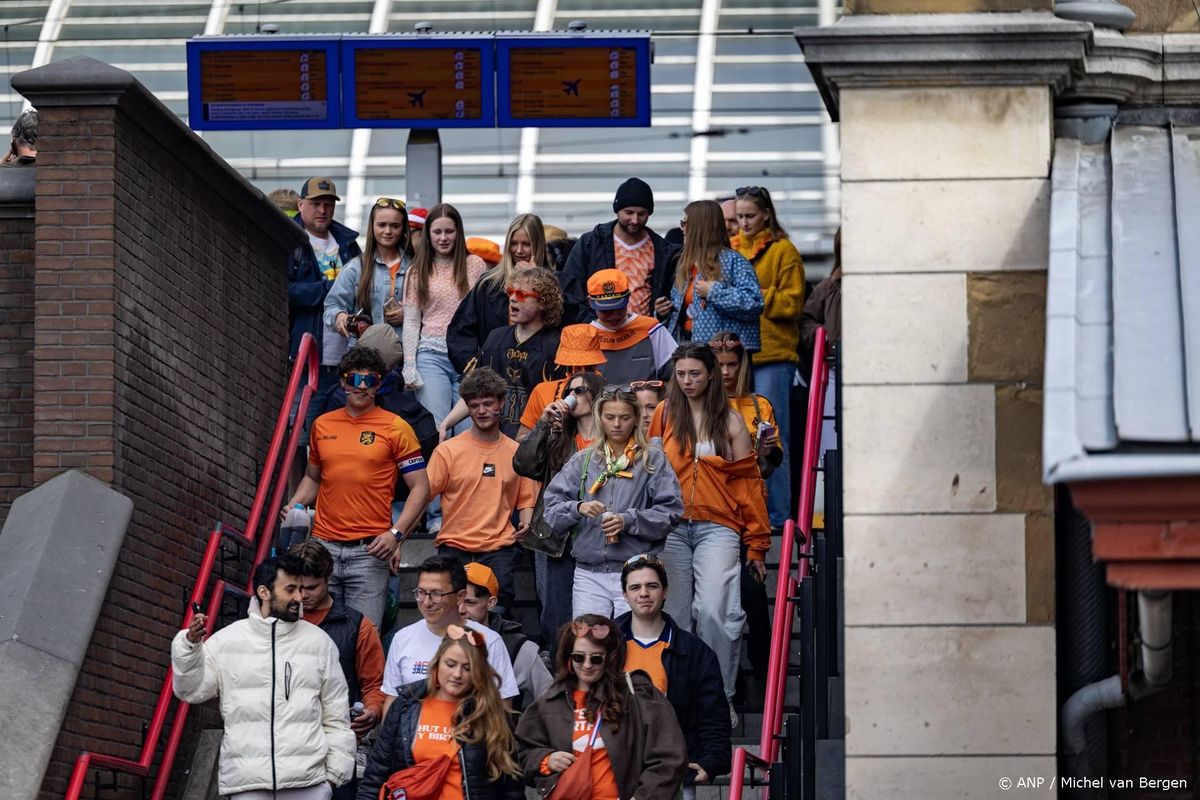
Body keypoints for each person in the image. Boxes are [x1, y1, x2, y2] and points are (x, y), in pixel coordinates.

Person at [172, 555, 356, 799]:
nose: (299, 598)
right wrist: (190, 647)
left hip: (308, 784)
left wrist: (332, 778)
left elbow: (337, 717)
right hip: (247, 785)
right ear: (264, 592)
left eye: (301, 589)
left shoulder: (319, 643)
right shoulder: (227, 641)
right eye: (290, 589)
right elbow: (190, 691)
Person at [648, 343, 770, 704]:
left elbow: (748, 484)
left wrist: (758, 544)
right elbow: (649, 474)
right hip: (670, 527)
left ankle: (720, 698)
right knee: (674, 617)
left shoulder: (730, 419)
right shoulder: (664, 414)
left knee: (716, 612)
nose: (686, 381)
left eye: (695, 373)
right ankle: (679, 701)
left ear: (712, 374)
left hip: (719, 526)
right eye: (681, 374)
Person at [285, 346, 431, 628]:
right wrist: (294, 506)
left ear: (379, 384)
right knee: (316, 638)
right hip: (322, 547)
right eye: (354, 380)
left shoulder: (397, 427)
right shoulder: (322, 425)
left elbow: (421, 488)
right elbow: (313, 478)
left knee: (363, 643)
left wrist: (396, 535)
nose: (361, 387)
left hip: (370, 553)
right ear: (342, 381)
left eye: (370, 380)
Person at [542, 386, 682, 619]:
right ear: (599, 418)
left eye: (624, 417)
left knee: (631, 645)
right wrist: (578, 508)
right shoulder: (583, 460)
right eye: (610, 417)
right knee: (590, 640)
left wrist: (628, 520)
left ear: (636, 419)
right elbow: (551, 510)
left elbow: (671, 512)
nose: (617, 424)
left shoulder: (652, 459)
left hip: (637, 572)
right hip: (588, 572)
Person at [515, 615, 688, 799]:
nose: (587, 665)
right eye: (579, 657)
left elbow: (669, 758)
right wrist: (545, 760)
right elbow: (522, 752)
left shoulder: (637, 695)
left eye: (596, 659)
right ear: (568, 657)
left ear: (610, 658)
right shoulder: (551, 701)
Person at [359, 624, 524, 800]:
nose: (457, 674)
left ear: (478, 672)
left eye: (467, 668)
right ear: (437, 662)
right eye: (450, 664)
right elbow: (375, 776)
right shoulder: (406, 705)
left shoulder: (490, 714)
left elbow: (511, 788)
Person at [422, 368, 537, 613]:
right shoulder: (448, 451)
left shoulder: (516, 452)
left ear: (502, 402)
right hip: (454, 546)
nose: (481, 411)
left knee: (498, 616)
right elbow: (421, 498)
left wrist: (525, 523)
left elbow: (526, 498)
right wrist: (399, 538)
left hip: (499, 548)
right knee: (447, 615)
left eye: (487, 403)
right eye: (474, 405)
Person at [616, 554, 731, 799]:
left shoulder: (695, 652)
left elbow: (713, 714)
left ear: (665, 591)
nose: (644, 593)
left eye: (652, 586)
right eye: (635, 587)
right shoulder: (604, 647)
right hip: (613, 769)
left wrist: (710, 763)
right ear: (625, 596)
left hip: (672, 772)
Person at [514, 369, 606, 653]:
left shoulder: (611, 442)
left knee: (594, 616)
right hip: (558, 538)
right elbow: (523, 464)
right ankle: (559, 677)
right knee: (556, 615)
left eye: (580, 391)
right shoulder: (557, 438)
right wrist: (542, 425)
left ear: (597, 394)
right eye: (570, 391)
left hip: (598, 537)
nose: (573, 397)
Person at [731, 185, 805, 530]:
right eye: (739, 216)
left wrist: (754, 296)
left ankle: (778, 516)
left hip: (774, 352)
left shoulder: (783, 251)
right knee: (735, 432)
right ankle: (747, 511)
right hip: (740, 353)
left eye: (749, 216)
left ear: (765, 215)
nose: (743, 222)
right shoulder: (730, 249)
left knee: (773, 435)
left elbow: (794, 303)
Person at [290, 542, 387, 800]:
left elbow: (374, 684)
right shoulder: (275, 623)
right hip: (284, 745)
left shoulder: (358, 626)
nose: (302, 595)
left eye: (311, 587)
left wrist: (373, 711)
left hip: (335, 747)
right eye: (296, 587)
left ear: (329, 577)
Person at [382, 556, 519, 716]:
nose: (426, 602)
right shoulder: (402, 638)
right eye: (421, 593)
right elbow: (392, 702)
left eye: (436, 594)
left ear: (460, 596)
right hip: (414, 738)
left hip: (468, 736)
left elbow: (503, 708)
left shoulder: (489, 640)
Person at [440, 266, 566, 438]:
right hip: (494, 440)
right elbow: (476, 390)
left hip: (535, 445)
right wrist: (447, 423)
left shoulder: (556, 345)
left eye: (521, 294)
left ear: (543, 302)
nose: (513, 299)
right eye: (510, 292)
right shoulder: (495, 338)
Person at [401, 202, 487, 435]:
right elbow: (411, 321)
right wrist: (409, 364)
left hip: (468, 359)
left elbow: (484, 315)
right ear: (428, 234)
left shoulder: (475, 265)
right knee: (438, 427)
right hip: (431, 355)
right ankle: (437, 473)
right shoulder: (417, 270)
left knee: (468, 430)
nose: (443, 238)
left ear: (458, 232)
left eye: (449, 231)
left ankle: (463, 474)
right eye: (437, 232)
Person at [288, 177, 363, 433]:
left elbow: (362, 290)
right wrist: (330, 290)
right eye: (316, 203)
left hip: (346, 357)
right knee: (299, 432)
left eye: (328, 204)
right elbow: (284, 291)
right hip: (306, 356)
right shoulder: (289, 241)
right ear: (300, 204)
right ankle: (298, 476)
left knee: (340, 433)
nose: (322, 210)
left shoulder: (348, 244)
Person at [560, 177, 680, 322]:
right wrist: (591, 323)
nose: (635, 220)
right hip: (598, 332)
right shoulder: (591, 243)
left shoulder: (663, 250)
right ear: (617, 210)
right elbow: (571, 290)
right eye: (629, 213)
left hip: (643, 333)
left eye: (642, 214)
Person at [447, 213, 551, 372]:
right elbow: (460, 331)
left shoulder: (555, 285)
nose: (519, 250)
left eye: (527, 244)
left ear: (538, 245)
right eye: (514, 243)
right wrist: (476, 370)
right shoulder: (489, 285)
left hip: (538, 373)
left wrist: (539, 277)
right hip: (494, 376)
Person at [662, 200, 763, 354]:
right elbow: (681, 316)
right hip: (690, 353)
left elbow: (754, 303)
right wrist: (663, 312)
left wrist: (713, 292)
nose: (682, 228)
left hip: (724, 358)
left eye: (685, 222)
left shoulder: (733, 261)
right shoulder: (685, 264)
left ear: (699, 226)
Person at [461, 561, 553, 710]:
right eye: (456, 600)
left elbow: (552, 705)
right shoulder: (436, 639)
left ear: (491, 603)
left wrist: (526, 731)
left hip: (500, 730)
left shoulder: (519, 649)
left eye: (470, 602)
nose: (460, 609)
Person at [325, 197, 410, 345]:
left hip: (408, 356)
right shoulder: (356, 267)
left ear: (404, 228)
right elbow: (332, 306)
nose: (388, 231)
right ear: (372, 226)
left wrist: (410, 316)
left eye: (395, 226)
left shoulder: (416, 266)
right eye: (382, 225)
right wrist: (339, 316)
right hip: (364, 356)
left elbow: (437, 312)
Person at [710, 331, 783, 484]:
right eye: (719, 365)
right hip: (712, 489)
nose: (725, 372)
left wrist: (768, 451)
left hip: (751, 489)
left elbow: (776, 460)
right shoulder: (701, 404)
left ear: (742, 365)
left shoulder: (760, 405)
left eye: (732, 364)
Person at [587, 269, 678, 386]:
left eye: (619, 307)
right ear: (590, 302)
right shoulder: (587, 336)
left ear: (628, 297)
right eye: (606, 310)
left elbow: (675, 374)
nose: (614, 315)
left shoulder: (650, 329)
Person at [516, 323, 606, 441]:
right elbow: (520, 439)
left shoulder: (606, 392)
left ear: (595, 364)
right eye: (574, 365)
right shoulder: (543, 391)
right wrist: (547, 428)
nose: (579, 370)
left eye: (587, 366)